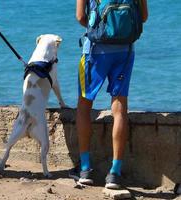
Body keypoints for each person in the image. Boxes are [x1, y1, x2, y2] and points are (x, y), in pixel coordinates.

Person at [75, 0, 148, 188]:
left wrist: (100, 30)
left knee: (84, 105)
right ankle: (114, 172)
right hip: (125, 50)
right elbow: (143, 17)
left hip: (94, 51)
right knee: (120, 107)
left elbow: (80, 17)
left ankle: (85, 169)